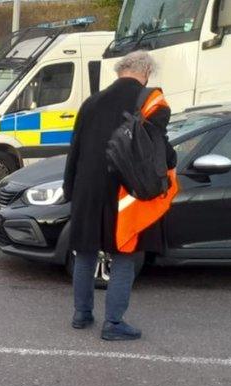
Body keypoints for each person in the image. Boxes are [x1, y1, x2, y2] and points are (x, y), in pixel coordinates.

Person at [63, 51, 176, 341]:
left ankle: (81, 314)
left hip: (88, 188)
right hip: (127, 192)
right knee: (125, 255)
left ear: (119, 71)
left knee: (86, 252)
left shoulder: (91, 102)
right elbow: (160, 150)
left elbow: (74, 150)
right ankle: (113, 323)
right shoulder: (152, 102)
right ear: (146, 72)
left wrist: (69, 188)